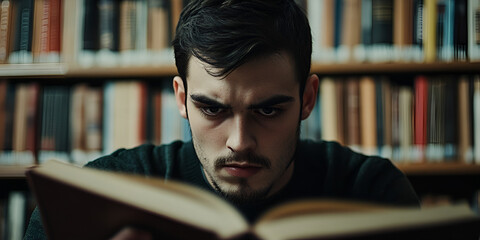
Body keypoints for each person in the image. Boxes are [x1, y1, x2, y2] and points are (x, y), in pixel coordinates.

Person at [24, 0, 419, 239]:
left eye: (268, 110)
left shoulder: (374, 193)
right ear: (182, 98)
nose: (239, 142)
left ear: (307, 99)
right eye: (213, 109)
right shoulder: (97, 199)